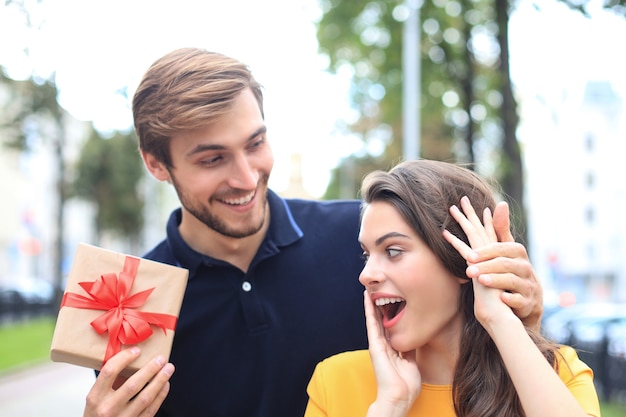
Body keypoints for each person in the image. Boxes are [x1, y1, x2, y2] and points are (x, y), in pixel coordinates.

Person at [82, 48, 545, 417]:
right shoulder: (133, 300)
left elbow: (473, 364)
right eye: (212, 159)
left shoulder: (365, 241)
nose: (246, 177)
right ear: (157, 164)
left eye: (255, 143)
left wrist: (523, 312)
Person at [304, 159, 600, 417]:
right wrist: (389, 406)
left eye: (393, 251)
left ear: (462, 258)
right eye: (367, 255)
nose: (366, 275)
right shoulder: (335, 383)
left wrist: (498, 317)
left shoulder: (557, 375)